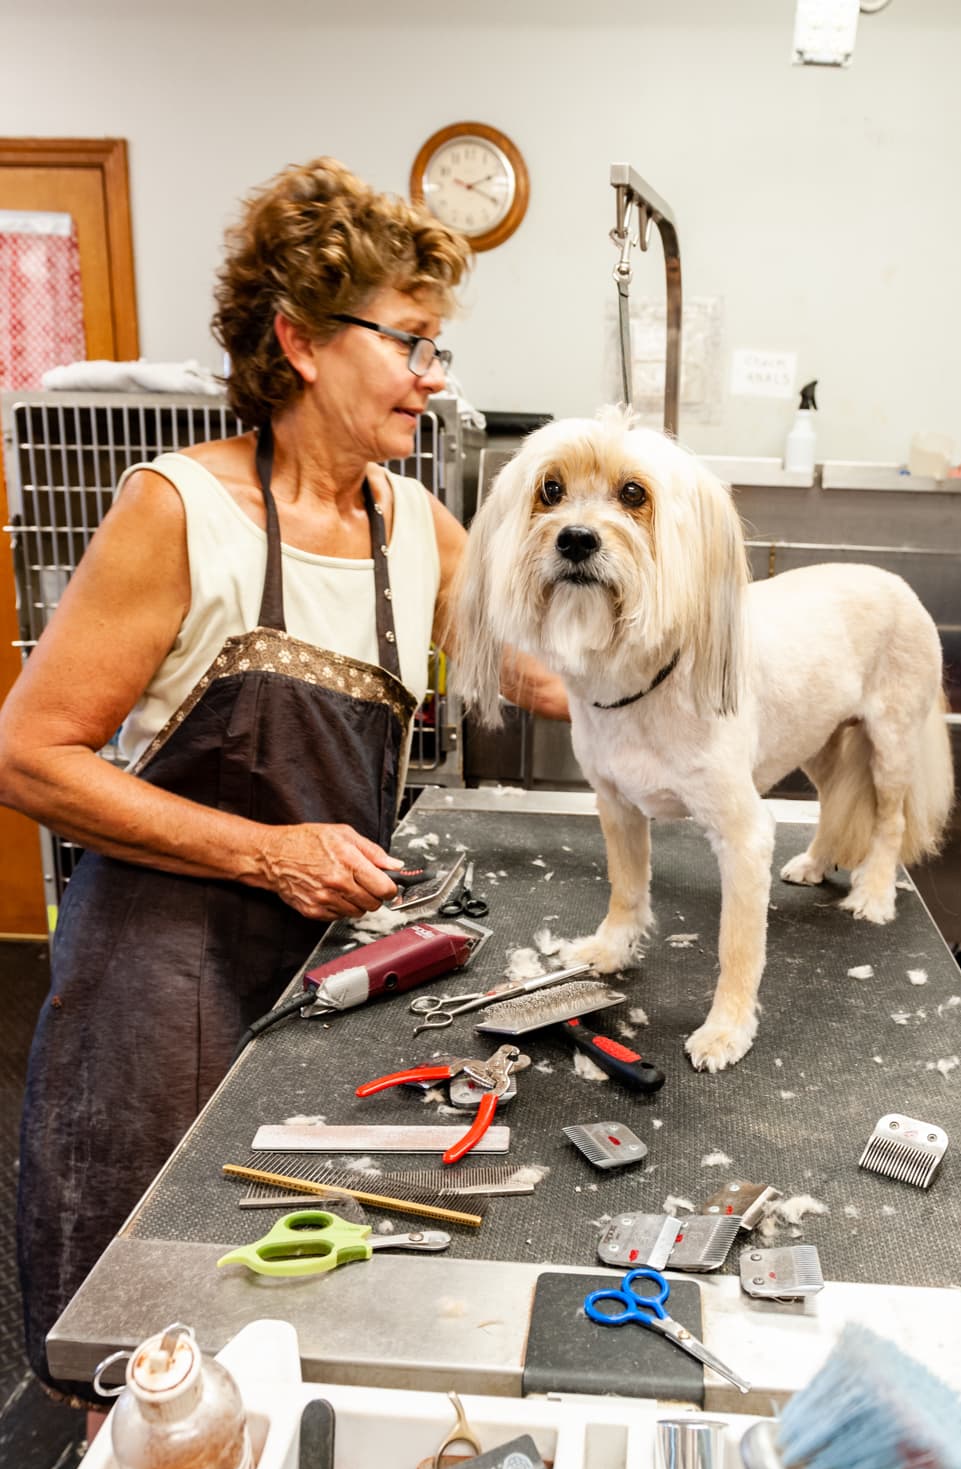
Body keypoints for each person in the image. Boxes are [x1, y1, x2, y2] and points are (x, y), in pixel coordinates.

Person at [0, 157, 568, 1399]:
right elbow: (28, 757)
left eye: (437, 347)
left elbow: (549, 677)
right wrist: (265, 849)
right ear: (302, 341)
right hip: (159, 965)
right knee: (143, 1323)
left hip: (325, 962)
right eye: (411, 340)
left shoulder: (413, 525)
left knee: (292, 1300)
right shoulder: (179, 509)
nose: (433, 374)